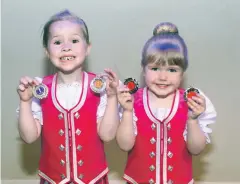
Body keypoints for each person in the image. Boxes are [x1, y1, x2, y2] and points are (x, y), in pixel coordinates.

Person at [16, 9, 120, 184]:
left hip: (93, 179)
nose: (66, 47)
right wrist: (25, 102)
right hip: (53, 179)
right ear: (47, 52)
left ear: (87, 48)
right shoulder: (38, 89)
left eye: (74, 40)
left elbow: (107, 135)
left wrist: (111, 98)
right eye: (57, 42)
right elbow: (29, 137)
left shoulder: (101, 87)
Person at [116, 22, 217, 184]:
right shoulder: (131, 100)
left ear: (182, 73)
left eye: (172, 70)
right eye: (155, 69)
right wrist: (127, 112)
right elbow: (125, 146)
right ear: (143, 70)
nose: (163, 77)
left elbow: (196, 149)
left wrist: (192, 120)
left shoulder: (192, 103)